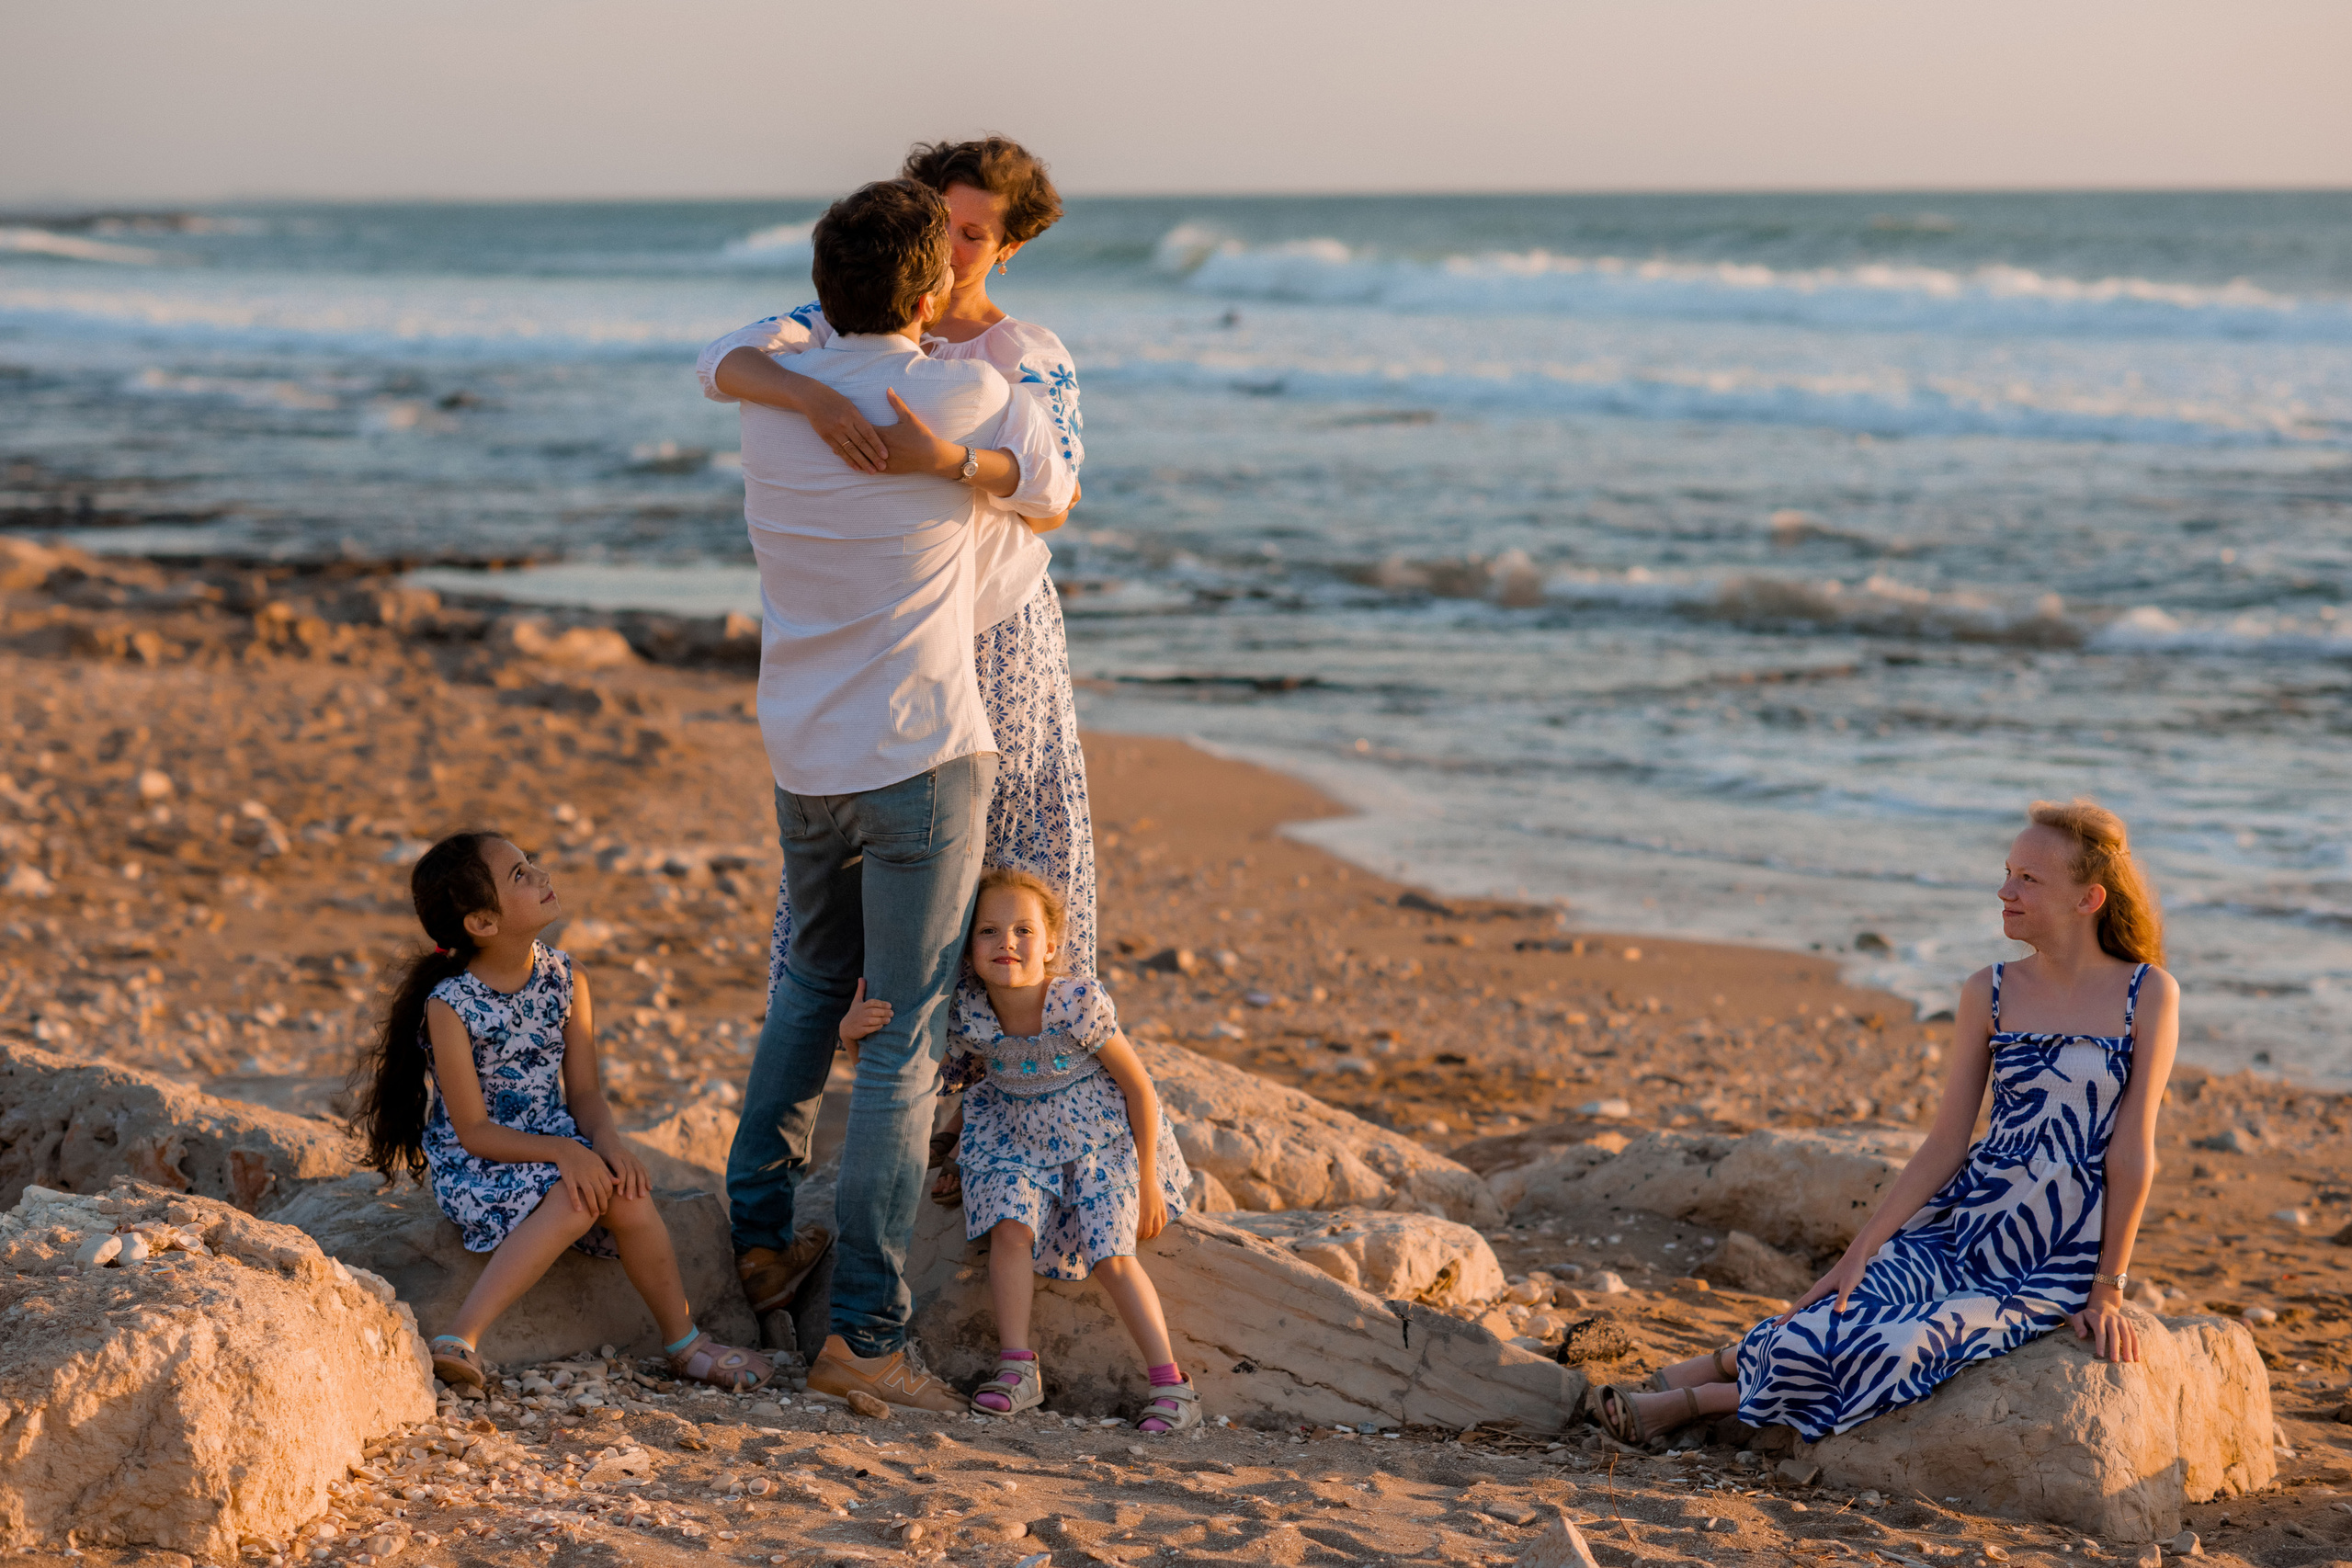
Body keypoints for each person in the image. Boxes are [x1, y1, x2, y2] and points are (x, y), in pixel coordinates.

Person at [718, 178, 1078, 1413]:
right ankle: (865, 1333)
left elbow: (725, 358)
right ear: (932, 291)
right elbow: (1052, 490)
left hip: (803, 751)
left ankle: (761, 1232)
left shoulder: (774, 398)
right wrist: (955, 459)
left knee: (812, 984)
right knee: (902, 1036)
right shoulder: (974, 389)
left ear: (822, 290)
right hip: (922, 752)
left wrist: (811, 387)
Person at [1592, 799, 2180, 1445]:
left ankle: (1703, 1395)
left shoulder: (2145, 994)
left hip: (2051, 1254)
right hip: (1962, 1222)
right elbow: (1945, 1144)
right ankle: (1721, 1361)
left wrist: (2107, 1288)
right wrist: (1861, 1249)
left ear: (2087, 899)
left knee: (1904, 1343)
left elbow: (2130, 1155)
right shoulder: (1987, 990)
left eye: (2027, 880)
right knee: (1845, 1305)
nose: (2003, 890)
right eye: (2007, 871)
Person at [695, 137, 1098, 1015]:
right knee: (877, 836)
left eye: (975, 235)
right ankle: (881, 1053)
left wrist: (948, 461)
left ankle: (1005, 1066)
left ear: (1009, 250)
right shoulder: (832, 324)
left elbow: (1055, 500)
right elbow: (721, 362)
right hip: (890, 631)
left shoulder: (1021, 352)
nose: (955, 251)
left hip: (997, 630)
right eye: (942, 226)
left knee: (1004, 851)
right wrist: (815, 397)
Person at [350, 831, 770, 1393]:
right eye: (519, 876)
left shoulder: (566, 979)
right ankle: (459, 1338)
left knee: (626, 1191)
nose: (542, 877)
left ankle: (684, 1342)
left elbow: (587, 1095)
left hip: (555, 1140)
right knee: (576, 1197)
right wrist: (567, 1153)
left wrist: (610, 1147)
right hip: (485, 1161)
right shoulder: (451, 1005)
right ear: (482, 923)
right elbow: (473, 1131)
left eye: (533, 865)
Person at [841, 868, 1201, 1431]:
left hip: (1097, 1139)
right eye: (988, 931)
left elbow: (1138, 1086)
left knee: (1110, 1252)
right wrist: (850, 1039)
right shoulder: (970, 1015)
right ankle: (1017, 1367)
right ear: (968, 947)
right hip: (1013, 1135)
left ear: (1051, 945)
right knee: (1010, 1229)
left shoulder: (1077, 1003)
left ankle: (1172, 1387)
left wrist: (1149, 1177)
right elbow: (907, 1084)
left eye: (1022, 930)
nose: (1006, 942)